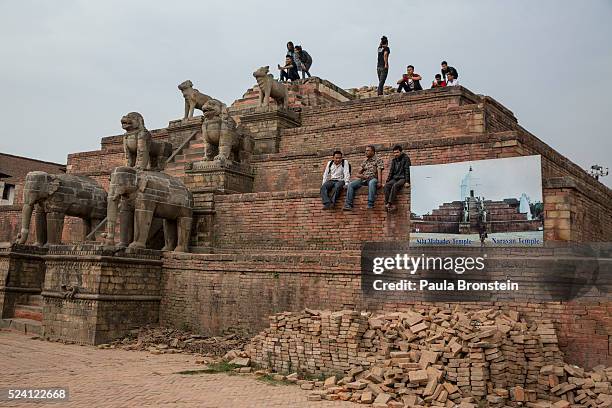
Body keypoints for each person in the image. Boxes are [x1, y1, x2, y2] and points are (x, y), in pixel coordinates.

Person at [343, 145, 384, 210]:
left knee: (372, 183)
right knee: (351, 185)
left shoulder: (378, 160)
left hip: (373, 178)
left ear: (373, 152)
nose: (366, 152)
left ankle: (370, 204)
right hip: (364, 179)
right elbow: (358, 174)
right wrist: (363, 176)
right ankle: (348, 205)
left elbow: (379, 171)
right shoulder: (365, 162)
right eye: (365, 150)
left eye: (368, 150)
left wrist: (379, 182)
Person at [384, 145, 410, 212]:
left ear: (401, 152)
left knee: (395, 185)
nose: (395, 154)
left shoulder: (406, 158)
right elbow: (391, 172)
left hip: (403, 178)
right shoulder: (394, 160)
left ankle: (390, 203)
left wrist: (407, 181)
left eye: (397, 152)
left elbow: (407, 170)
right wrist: (387, 181)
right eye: (394, 153)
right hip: (395, 178)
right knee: (386, 186)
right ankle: (388, 204)